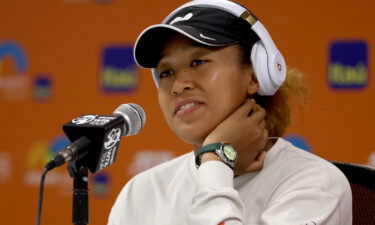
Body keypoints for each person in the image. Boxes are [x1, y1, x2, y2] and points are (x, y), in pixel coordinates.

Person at [108, 0, 352, 224]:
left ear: (256, 73)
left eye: (198, 62)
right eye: (166, 72)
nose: (178, 85)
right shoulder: (140, 193)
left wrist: (216, 158)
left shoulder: (316, 183)